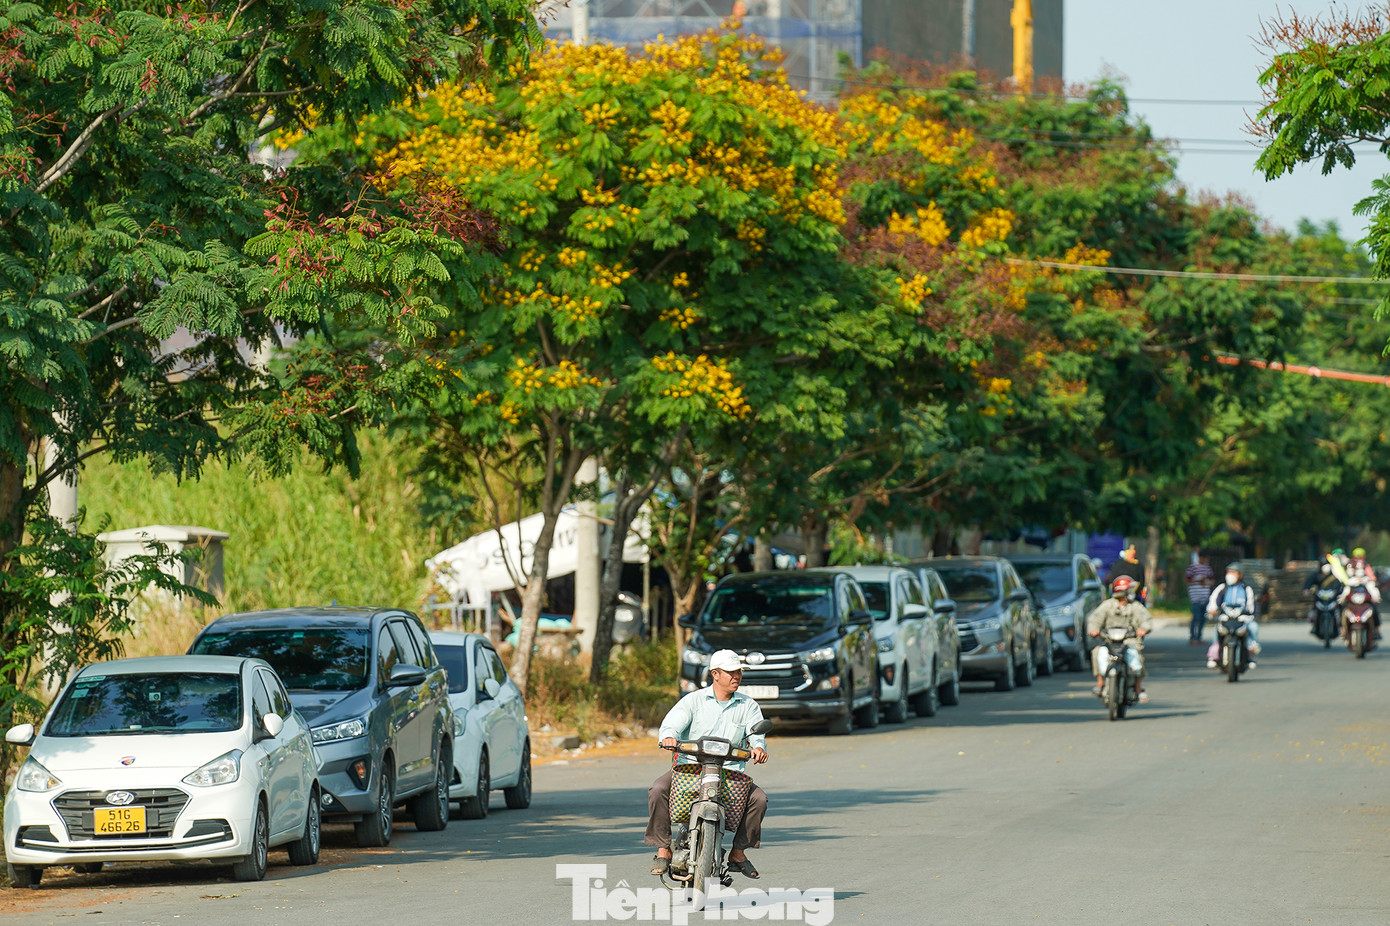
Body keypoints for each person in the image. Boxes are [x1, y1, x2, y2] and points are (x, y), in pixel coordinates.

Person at [647, 650, 769, 879]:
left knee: (759, 799)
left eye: (739, 672)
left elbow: (756, 733)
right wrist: (669, 738)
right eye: (731, 672)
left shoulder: (748, 705)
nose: (736, 676)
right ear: (715, 674)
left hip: (730, 773)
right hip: (689, 769)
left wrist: (758, 748)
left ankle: (738, 853)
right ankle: (663, 849)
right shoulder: (694, 700)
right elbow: (671, 724)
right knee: (658, 790)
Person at [1086, 575, 1154, 702]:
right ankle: (1100, 683)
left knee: (1137, 658)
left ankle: (1138, 689)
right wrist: (1094, 630)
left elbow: (1146, 620)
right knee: (1096, 653)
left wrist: (1143, 629)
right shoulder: (1107, 605)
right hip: (1109, 640)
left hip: (1129, 641)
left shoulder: (1135, 606)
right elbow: (1094, 619)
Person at [1206, 562, 1259, 668]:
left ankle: (1250, 655)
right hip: (1225, 617)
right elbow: (1213, 600)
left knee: (1253, 627)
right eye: (1228, 572)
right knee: (1217, 629)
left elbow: (1251, 605)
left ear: (1240, 575)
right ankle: (1214, 656)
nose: (1230, 575)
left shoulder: (1246, 589)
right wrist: (1212, 610)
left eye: (1233, 572)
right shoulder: (1222, 588)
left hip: (1242, 619)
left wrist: (1249, 612)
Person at [1184, 552, 1216, 645]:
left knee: (1203, 618)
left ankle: (1199, 637)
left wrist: (1206, 583)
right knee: (1196, 617)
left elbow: (1212, 580)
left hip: (1205, 595)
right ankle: (1193, 637)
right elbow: (1187, 579)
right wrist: (1198, 580)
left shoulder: (1207, 568)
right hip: (1195, 596)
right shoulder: (1192, 567)